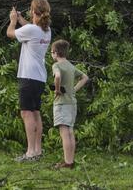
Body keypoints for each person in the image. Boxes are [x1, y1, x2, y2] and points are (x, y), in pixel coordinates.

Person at [7, 0, 52, 162]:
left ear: (34, 12)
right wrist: (21, 20)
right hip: (39, 77)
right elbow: (31, 28)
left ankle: (30, 152)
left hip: (28, 76)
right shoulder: (46, 30)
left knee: (26, 113)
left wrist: (13, 21)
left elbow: (10, 33)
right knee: (35, 113)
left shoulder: (32, 30)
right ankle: (38, 150)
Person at [50, 39, 89, 170]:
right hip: (72, 103)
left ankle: (67, 162)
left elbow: (57, 76)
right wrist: (74, 89)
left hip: (62, 103)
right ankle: (71, 160)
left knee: (64, 132)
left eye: (51, 52)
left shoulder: (56, 66)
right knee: (70, 132)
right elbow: (85, 77)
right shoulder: (71, 66)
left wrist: (57, 89)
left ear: (55, 53)